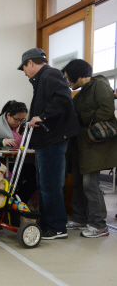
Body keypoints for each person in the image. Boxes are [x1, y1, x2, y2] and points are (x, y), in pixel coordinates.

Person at [18, 48, 80, 240]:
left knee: (50, 185)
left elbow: (63, 100)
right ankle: (47, 224)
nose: (25, 73)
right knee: (45, 184)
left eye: (25, 68)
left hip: (52, 140)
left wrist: (42, 116)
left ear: (30, 63)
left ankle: (56, 227)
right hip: (46, 140)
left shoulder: (50, 75)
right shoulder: (44, 78)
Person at [61, 59, 116, 238]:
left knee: (90, 184)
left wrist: (81, 117)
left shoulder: (99, 85)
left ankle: (99, 224)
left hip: (95, 145)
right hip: (82, 144)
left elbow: (106, 111)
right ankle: (79, 218)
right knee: (78, 182)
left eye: (68, 77)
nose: (67, 81)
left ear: (77, 74)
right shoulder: (82, 92)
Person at [0, 100, 37, 204]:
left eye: (22, 120)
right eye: (17, 119)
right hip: (3, 162)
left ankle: (18, 201)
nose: (19, 123)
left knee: (36, 176)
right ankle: (7, 206)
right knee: (13, 181)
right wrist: (3, 141)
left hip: (21, 161)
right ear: (8, 115)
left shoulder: (22, 126)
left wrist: (28, 131)